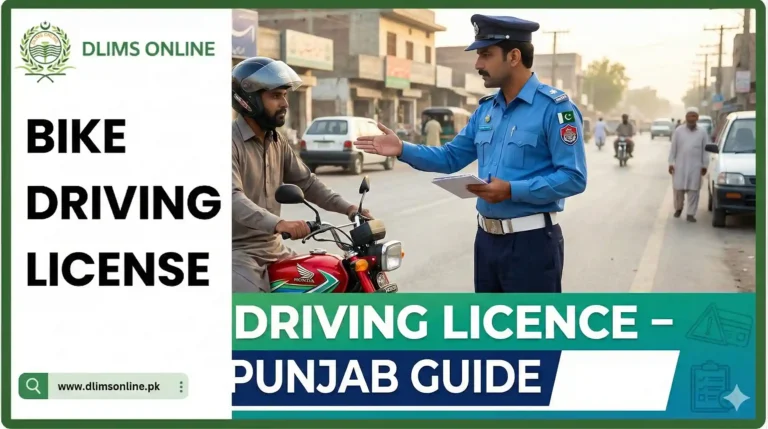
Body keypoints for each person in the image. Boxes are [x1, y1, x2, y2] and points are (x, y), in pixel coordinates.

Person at [354, 14, 587, 293]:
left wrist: (512, 190)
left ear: (513, 56)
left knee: (530, 333)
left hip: (532, 243)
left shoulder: (555, 108)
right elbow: (450, 157)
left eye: (486, 55)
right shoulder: (486, 110)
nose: (478, 64)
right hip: (486, 242)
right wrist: (403, 148)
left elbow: (573, 177)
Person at [231, 57, 372, 293]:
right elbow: (231, 197)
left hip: (274, 248)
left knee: (329, 281)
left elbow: (306, 182)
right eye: (276, 96)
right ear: (249, 101)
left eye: (285, 95)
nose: (285, 103)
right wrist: (279, 223)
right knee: (254, 317)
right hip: (237, 252)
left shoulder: (276, 141)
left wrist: (349, 209)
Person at [668, 107, 709, 222]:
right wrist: (671, 163)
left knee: (694, 190)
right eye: (690, 116)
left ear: (697, 118)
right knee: (678, 190)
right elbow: (673, 149)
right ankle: (678, 209)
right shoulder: (678, 131)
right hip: (680, 165)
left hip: (695, 166)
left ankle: (691, 214)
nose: (692, 119)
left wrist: (705, 165)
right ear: (686, 117)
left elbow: (705, 150)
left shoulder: (702, 132)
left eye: (694, 116)